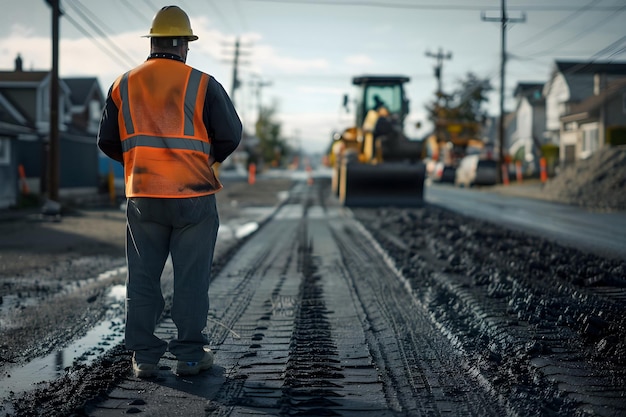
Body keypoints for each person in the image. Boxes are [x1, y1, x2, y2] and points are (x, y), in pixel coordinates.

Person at [97, 5, 242, 378]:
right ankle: (190, 356)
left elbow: (107, 141)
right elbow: (230, 135)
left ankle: (145, 358)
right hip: (193, 194)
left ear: (153, 42)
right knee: (191, 279)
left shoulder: (122, 85)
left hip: (143, 195)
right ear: (184, 45)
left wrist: (139, 164)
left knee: (142, 278)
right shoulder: (202, 83)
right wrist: (204, 160)